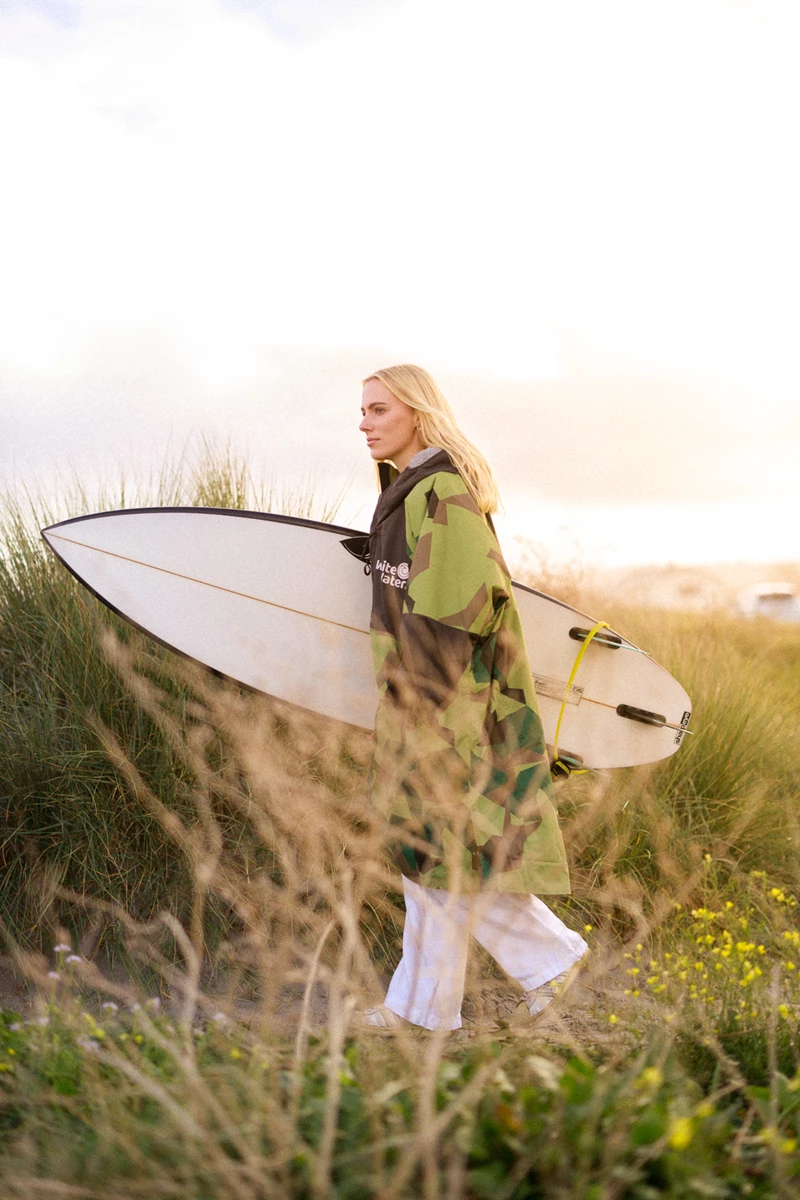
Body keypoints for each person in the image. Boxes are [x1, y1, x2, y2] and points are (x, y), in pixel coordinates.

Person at [356, 364, 587, 1032]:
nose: (364, 423)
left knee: (444, 849)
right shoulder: (409, 488)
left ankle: (550, 962)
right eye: (363, 411)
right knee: (431, 851)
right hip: (425, 700)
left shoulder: (443, 491)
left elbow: (455, 610)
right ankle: (425, 1007)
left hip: (449, 705)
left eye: (379, 409)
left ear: (418, 412)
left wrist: (419, 705)